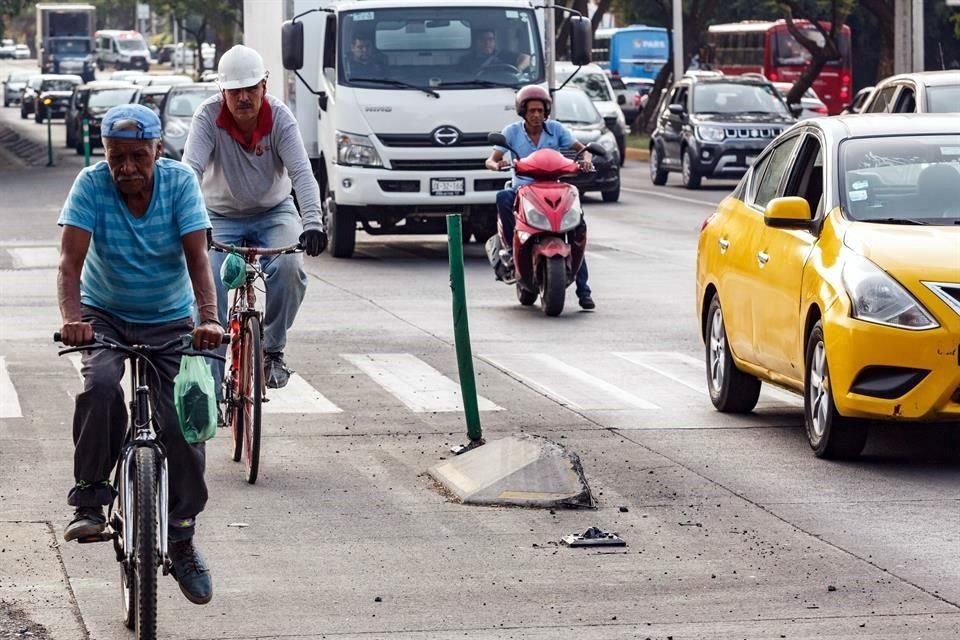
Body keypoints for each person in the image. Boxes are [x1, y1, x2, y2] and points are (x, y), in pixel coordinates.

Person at [58, 103, 223, 605]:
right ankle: (90, 496)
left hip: (170, 317)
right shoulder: (90, 185)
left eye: (137, 156)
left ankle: (182, 533)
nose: (126, 168)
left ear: (157, 150)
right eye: (116, 158)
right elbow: (69, 264)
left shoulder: (178, 185)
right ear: (103, 154)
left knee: (182, 424)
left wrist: (210, 318)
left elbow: (198, 260)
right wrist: (73, 320)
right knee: (102, 386)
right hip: (104, 314)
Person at [182, 45, 327, 392]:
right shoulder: (207, 117)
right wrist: (190, 223)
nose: (244, 98)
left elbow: (303, 174)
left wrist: (313, 222)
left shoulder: (280, 118)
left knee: (290, 270)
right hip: (218, 215)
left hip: (272, 211)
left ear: (265, 84)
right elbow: (190, 172)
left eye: (251, 88)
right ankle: (212, 377)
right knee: (207, 284)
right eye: (235, 91)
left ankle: (272, 350)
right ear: (222, 92)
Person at [484, 85, 596, 310]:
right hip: (523, 190)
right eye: (531, 110)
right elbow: (491, 159)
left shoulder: (556, 129)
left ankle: (584, 290)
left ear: (546, 112)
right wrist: (497, 165)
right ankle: (508, 245)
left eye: (540, 110)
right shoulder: (512, 132)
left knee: (576, 230)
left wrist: (586, 160)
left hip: (554, 188)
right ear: (522, 112)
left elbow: (583, 150)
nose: (536, 115)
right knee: (503, 196)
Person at [459, 29, 530, 74]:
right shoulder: (466, 60)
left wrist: (519, 70)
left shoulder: (503, 54)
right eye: (482, 39)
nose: (487, 43)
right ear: (475, 42)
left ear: (495, 42)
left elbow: (526, 58)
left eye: (490, 39)